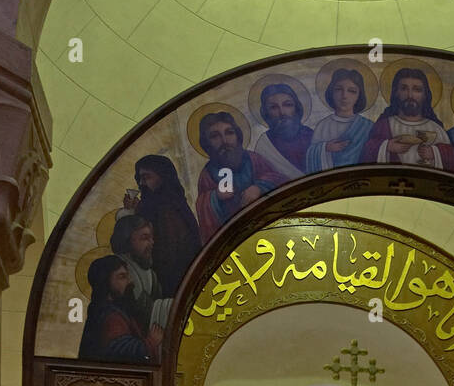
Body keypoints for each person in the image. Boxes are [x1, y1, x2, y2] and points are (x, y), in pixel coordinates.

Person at [194, 111, 282, 240]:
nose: (224, 141)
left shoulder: (253, 159)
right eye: (215, 136)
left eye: (229, 133)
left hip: (270, 225)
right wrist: (215, 197)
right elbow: (203, 207)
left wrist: (259, 187)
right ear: (207, 143)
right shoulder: (207, 174)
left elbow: (277, 178)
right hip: (234, 237)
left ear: (238, 136)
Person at [121, 154, 201, 295]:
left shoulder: (168, 207)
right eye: (139, 179)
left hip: (176, 279)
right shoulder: (160, 205)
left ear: (163, 177)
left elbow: (165, 250)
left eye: (146, 177)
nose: (141, 184)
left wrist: (134, 214)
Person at [362, 67, 454, 169]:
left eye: (417, 90)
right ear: (396, 93)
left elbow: (452, 161)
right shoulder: (384, 125)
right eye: (404, 88)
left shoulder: (436, 129)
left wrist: (435, 152)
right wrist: (387, 146)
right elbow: (366, 154)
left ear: (425, 95)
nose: (410, 95)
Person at [78, 255, 162, 364]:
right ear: (105, 283)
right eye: (122, 277)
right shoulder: (110, 317)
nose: (130, 281)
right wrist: (151, 342)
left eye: (128, 276)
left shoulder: (119, 310)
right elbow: (122, 354)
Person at [109, 215, 171, 332]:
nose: (152, 243)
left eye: (152, 238)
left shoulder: (150, 274)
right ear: (127, 240)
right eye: (145, 238)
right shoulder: (119, 271)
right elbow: (141, 312)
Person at [306, 68, 373, 172]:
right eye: (338, 89)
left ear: (359, 96)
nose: (344, 96)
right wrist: (326, 148)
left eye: (352, 91)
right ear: (331, 92)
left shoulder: (367, 127)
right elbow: (311, 154)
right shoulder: (323, 126)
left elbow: (373, 156)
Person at [254, 82, 315, 178]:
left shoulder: (311, 135)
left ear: (297, 108)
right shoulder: (265, 144)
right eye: (274, 107)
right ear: (266, 113)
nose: (282, 112)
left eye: (288, 105)